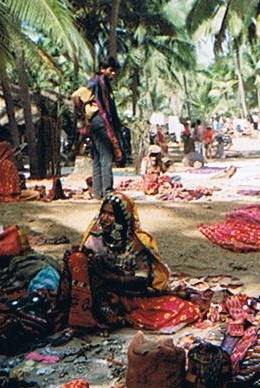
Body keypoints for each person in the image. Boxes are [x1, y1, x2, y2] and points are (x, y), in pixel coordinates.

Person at [57, 193, 198, 334]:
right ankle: (82, 319)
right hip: (100, 293)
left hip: (128, 294)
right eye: (103, 213)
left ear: (123, 217)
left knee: (183, 310)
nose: (105, 218)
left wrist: (109, 276)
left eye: (111, 214)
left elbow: (142, 281)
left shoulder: (138, 242)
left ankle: (111, 319)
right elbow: (86, 262)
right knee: (77, 259)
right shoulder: (96, 236)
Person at [72, 56, 125, 199]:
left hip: (97, 123)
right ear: (102, 69)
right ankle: (106, 191)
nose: (113, 74)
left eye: (115, 71)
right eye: (111, 70)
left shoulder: (103, 84)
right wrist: (84, 117)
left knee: (97, 158)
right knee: (106, 157)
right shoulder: (95, 82)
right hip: (99, 122)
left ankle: (97, 192)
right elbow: (76, 96)